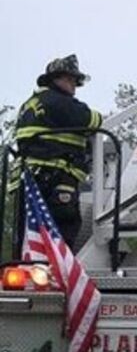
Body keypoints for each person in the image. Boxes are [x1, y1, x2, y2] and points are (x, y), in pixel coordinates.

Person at [12, 55, 103, 249]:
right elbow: (92, 120)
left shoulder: (30, 105)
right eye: (70, 80)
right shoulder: (58, 102)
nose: (73, 87)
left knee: (29, 239)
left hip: (28, 183)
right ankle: (58, 275)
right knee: (61, 236)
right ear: (56, 79)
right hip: (55, 182)